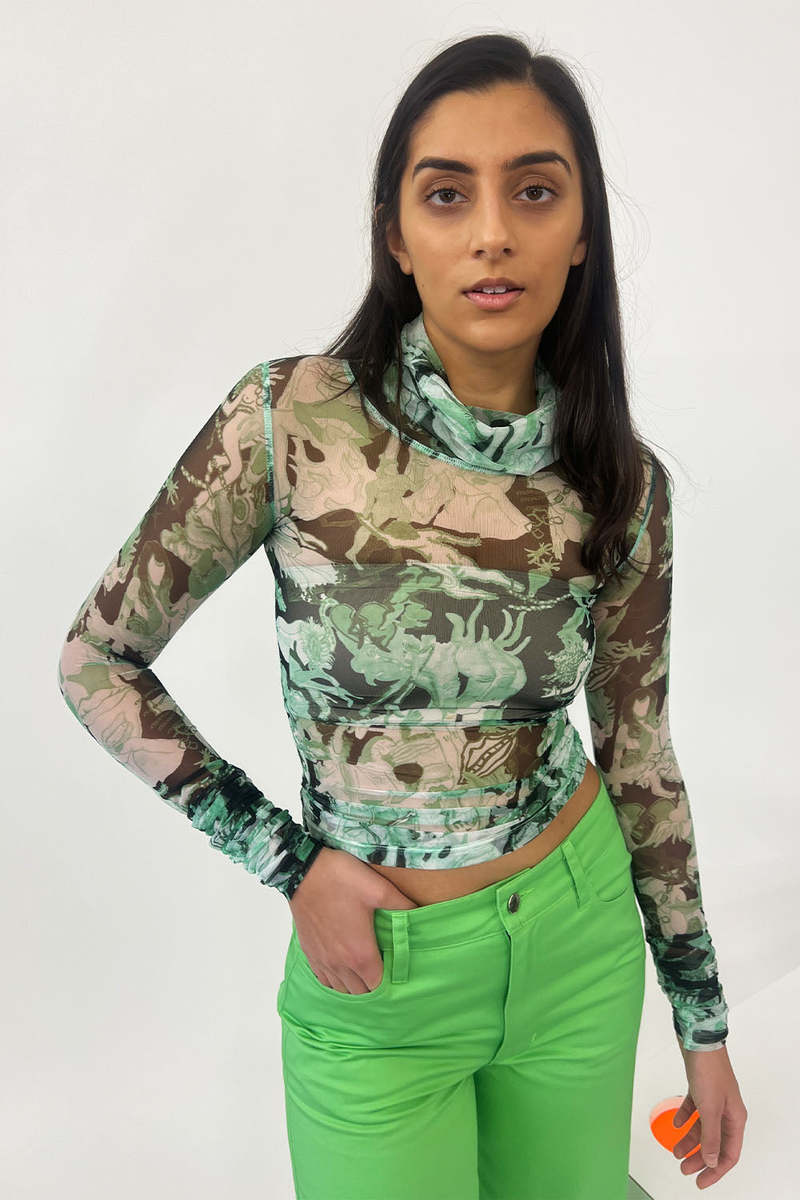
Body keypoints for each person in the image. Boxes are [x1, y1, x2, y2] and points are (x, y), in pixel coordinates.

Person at [57, 32, 747, 1200]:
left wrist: (703, 1023)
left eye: (534, 191)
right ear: (394, 232)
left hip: (577, 948)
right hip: (375, 980)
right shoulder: (289, 422)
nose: (492, 234)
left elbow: (637, 753)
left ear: (581, 230)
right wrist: (288, 863)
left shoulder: (619, 481)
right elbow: (96, 662)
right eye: (446, 194)